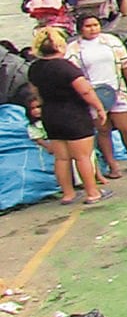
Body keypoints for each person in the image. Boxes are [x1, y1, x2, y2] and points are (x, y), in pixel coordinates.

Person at [27, 27, 110, 205]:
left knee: (61, 157)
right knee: (83, 156)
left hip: (51, 114)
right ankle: (92, 192)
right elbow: (85, 91)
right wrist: (99, 108)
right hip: (74, 115)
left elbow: (36, 92)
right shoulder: (66, 67)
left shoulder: (35, 68)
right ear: (59, 46)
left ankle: (68, 194)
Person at [66, 15, 127, 176]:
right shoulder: (74, 49)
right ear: (81, 29)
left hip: (117, 90)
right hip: (93, 94)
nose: (93, 29)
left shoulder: (111, 42)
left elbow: (126, 64)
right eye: (88, 26)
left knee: (126, 128)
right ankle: (112, 165)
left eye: (95, 25)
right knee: (103, 130)